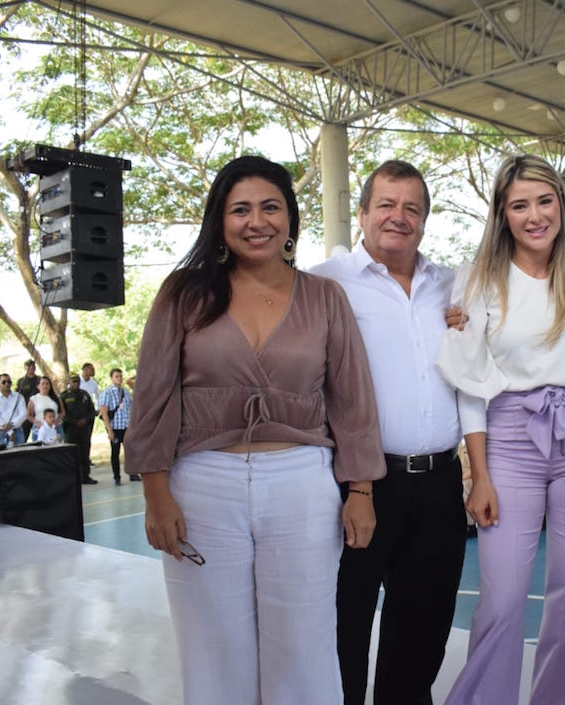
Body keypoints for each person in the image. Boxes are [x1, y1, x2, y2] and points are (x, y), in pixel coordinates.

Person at [125, 155, 385, 705]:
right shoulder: (184, 293)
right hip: (202, 483)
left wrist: (360, 490)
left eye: (270, 207)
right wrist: (155, 492)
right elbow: (153, 396)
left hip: (302, 483)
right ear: (220, 221)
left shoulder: (324, 298)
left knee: (306, 644)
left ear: (290, 218)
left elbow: (353, 400)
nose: (256, 221)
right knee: (213, 647)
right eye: (239, 209)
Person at [438, 154, 565, 705]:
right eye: (520, 205)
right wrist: (479, 476)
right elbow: (469, 383)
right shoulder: (478, 280)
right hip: (509, 436)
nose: (535, 215)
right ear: (502, 214)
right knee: (504, 595)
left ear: (560, 204)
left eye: (545, 201)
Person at [310, 160, 466, 705]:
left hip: (440, 484)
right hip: (360, 485)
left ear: (424, 220)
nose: (399, 217)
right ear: (362, 213)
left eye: (412, 208)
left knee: (422, 629)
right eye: (387, 205)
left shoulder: (451, 286)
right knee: (345, 622)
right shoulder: (326, 282)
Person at [99, 368, 135, 484]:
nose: (119, 378)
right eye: (116, 376)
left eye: (120, 376)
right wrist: (109, 430)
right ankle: (117, 477)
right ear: (111, 378)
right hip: (115, 426)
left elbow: (132, 406)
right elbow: (104, 412)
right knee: (115, 452)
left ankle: (132, 473)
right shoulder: (107, 393)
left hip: (126, 425)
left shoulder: (125, 391)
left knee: (130, 451)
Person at [61, 373, 97, 484]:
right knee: (71, 453)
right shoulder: (64, 396)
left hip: (84, 428)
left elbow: (92, 411)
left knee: (84, 452)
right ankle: (73, 477)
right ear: (69, 382)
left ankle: (85, 476)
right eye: (73, 381)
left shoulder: (85, 395)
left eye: (77, 381)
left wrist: (85, 420)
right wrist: (74, 422)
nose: (76, 384)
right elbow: (63, 414)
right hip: (71, 429)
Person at [0, 374, 26, 446]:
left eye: (9, 382)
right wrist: (9, 431)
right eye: (4, 382)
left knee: (19, 455)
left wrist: (12, 424)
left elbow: (23, 414)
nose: (7, 384)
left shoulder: (19, 397)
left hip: (17, 431)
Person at [26, 376, 64, 441]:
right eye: (42, 384)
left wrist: (57, 421)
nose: (45, 386)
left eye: (47, 384)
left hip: (55, 427)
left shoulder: (56, 398)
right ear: (38, 386)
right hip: (40, 427)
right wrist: (36, 422)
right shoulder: (34, 399)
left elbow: (62, 412)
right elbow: (29, 415)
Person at [79, 362, 100, 464]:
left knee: (88, 437)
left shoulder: (93, 383)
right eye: (92, 369)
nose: (93, 371)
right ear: (85, 370)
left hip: (89, 412)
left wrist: (98, 409)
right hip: (79, 412)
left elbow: (98, 396)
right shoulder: (77, 381)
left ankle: (87, 458)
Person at [15, 359, 39, 440]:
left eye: (33, 366)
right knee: (23, 437)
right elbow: (17, 397)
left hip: (38, 412)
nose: (31, 368)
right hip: (26, 413)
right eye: (29, 366)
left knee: (39, 437)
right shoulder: (21, 381)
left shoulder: (40, 380)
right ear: (25, 367)